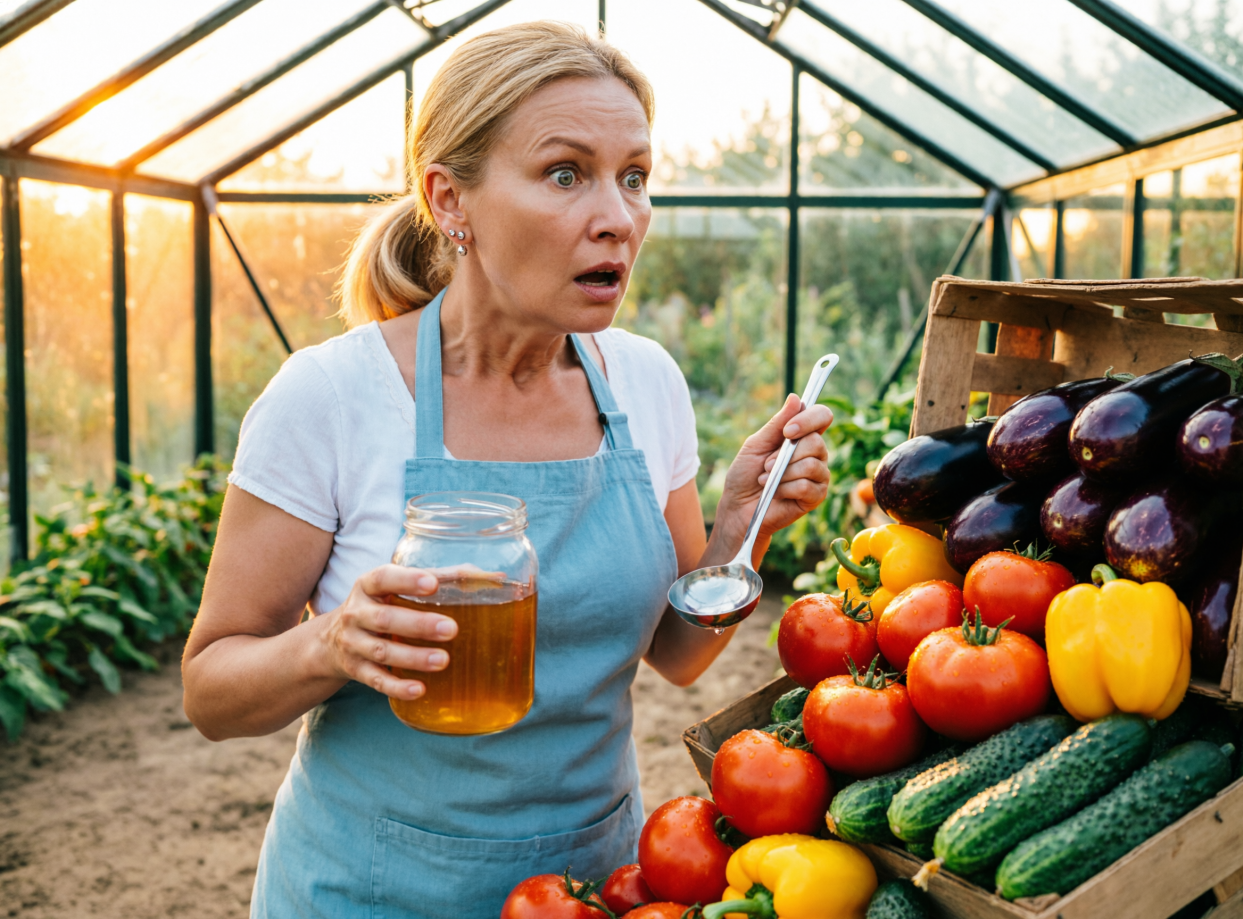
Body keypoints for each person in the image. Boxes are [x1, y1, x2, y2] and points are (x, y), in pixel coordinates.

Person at [181, 21, 832, 918]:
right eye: (566, 173)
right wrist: (330, 643)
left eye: (634, 176)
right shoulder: (332, 396)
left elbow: (678, 654)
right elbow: (211, 691)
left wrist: (741, 531)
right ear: (450, 200)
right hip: (368, 888)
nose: (618, 217)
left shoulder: (645, 383)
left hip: (587, 885)